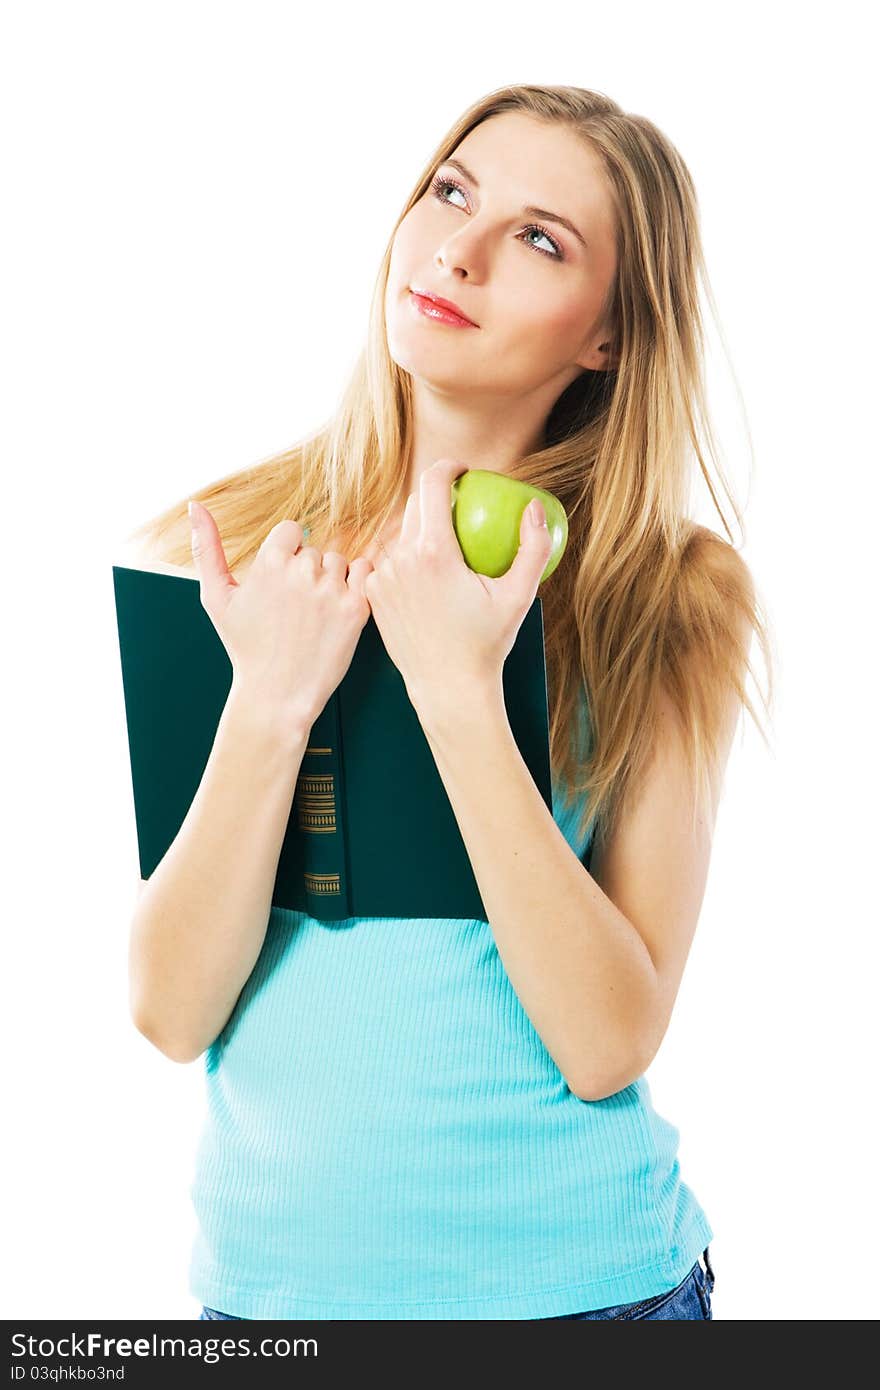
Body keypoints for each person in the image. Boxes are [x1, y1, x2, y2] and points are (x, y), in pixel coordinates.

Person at [123, 83, 773, 1321]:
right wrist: (269, 702)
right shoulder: (243, 552)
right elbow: (168, 1009)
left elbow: (607, 1041)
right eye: (452, 191)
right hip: (268, 1307)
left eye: (539, 238)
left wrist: (461, 692)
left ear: (610, 337)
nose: (454, 250)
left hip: (583, 1298)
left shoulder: (670, 588)